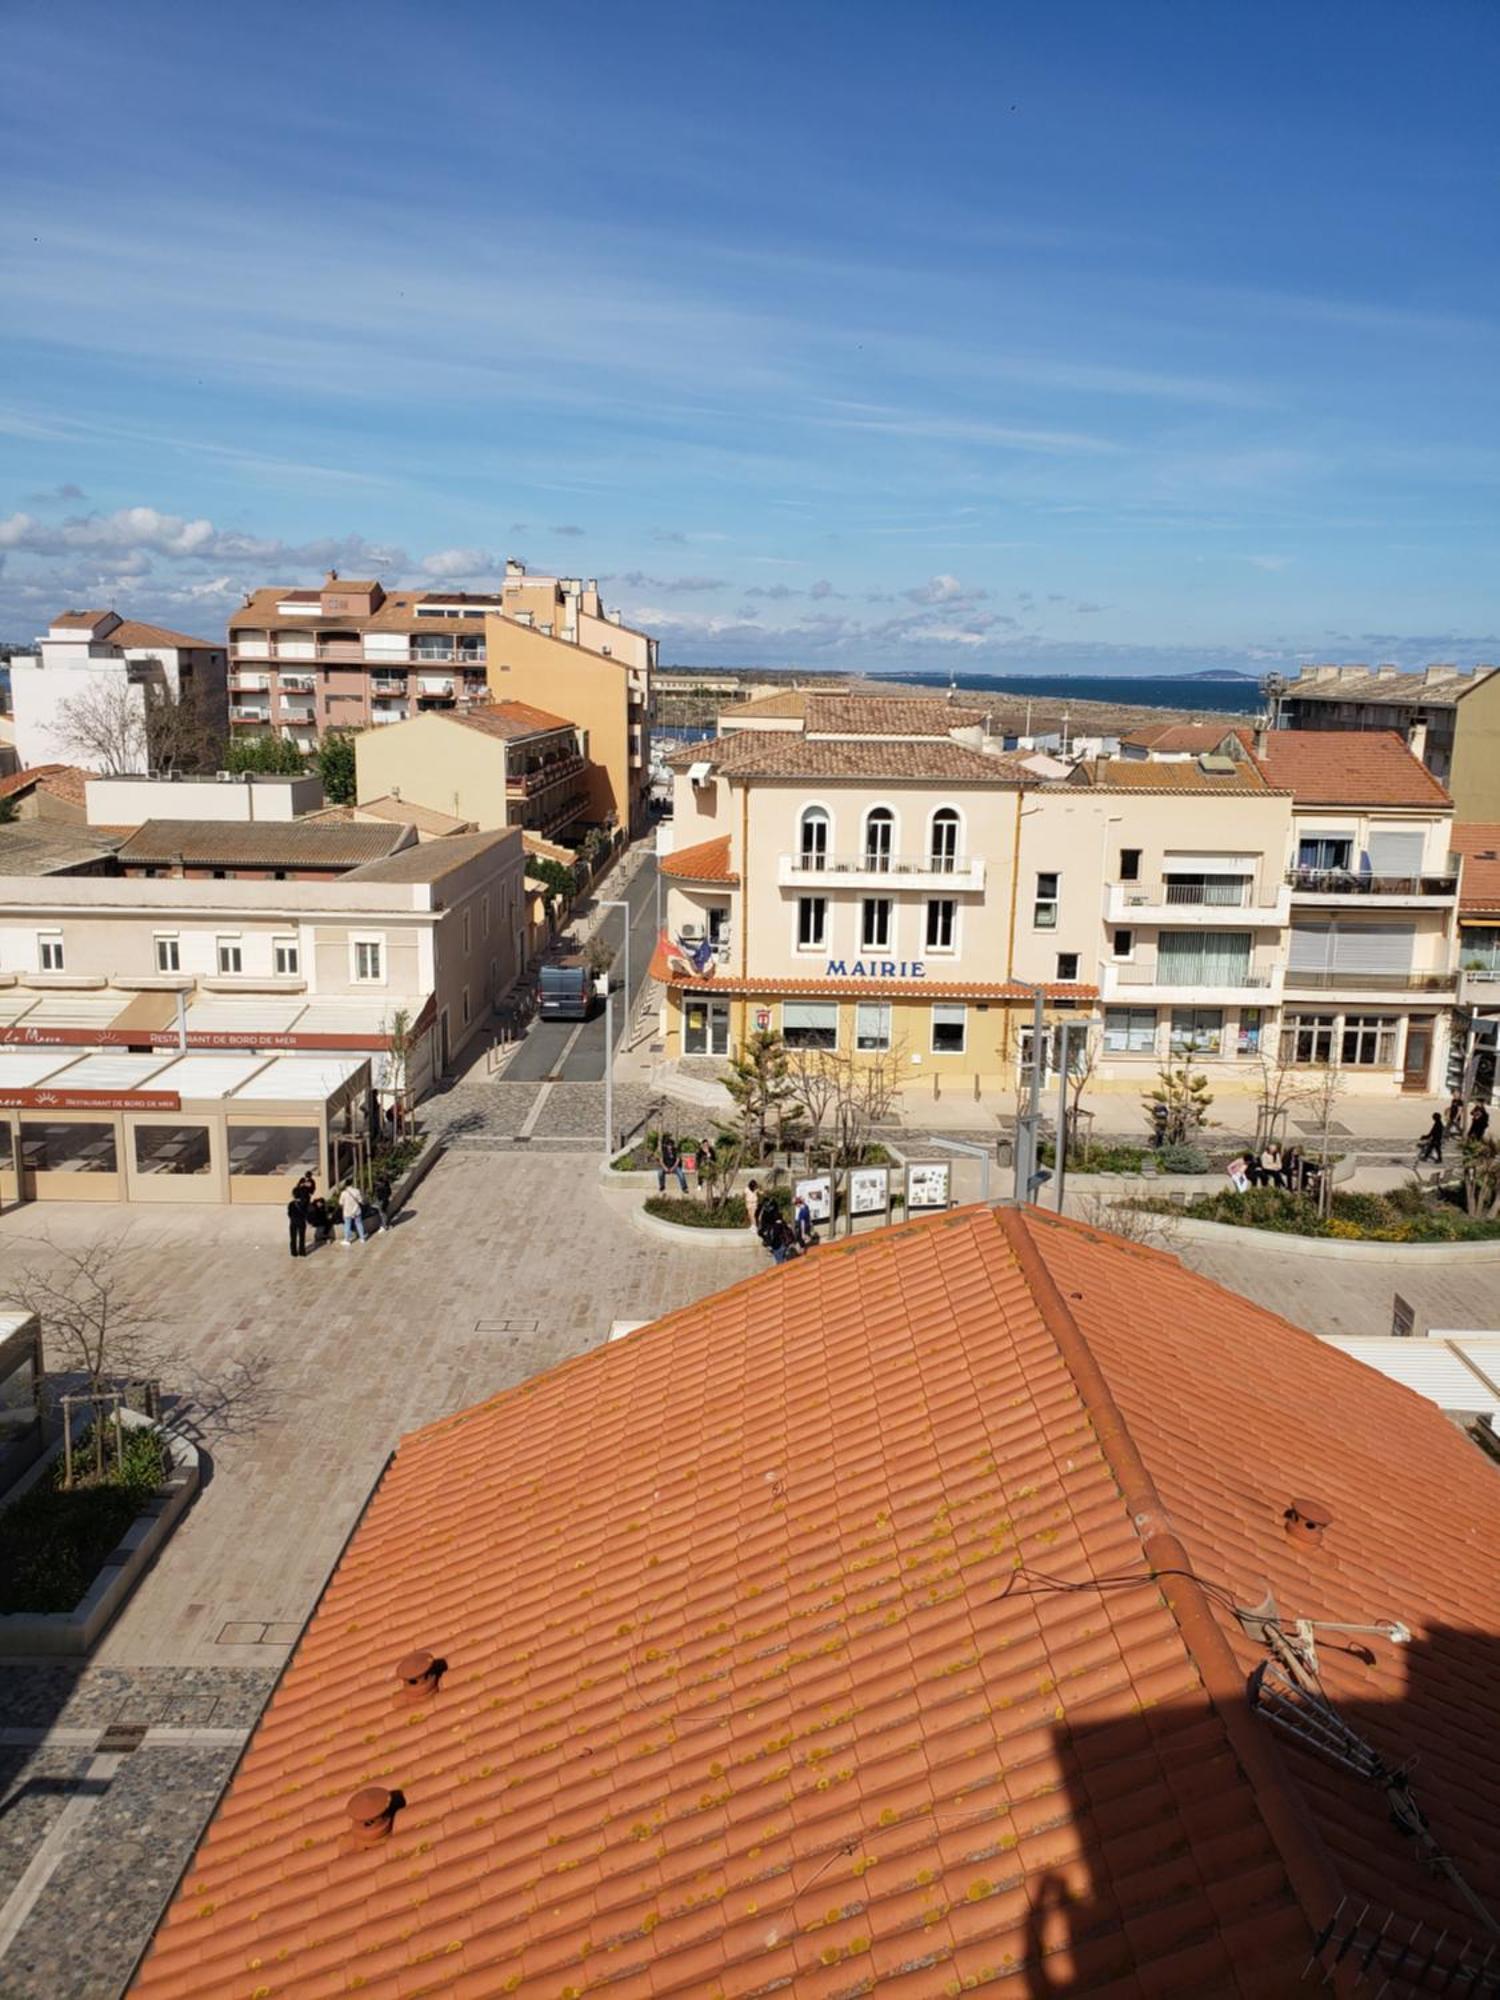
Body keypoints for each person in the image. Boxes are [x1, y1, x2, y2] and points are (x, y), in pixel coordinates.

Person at [339, 1180, 367, 1245]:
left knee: (347, 1225)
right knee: (359, 1223)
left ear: (346, 1185)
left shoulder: (343, 1193)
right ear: (352, 1184)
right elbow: (360, 1200)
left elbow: (341, 1203)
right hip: (356, 1210)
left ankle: (347, 1240)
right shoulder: (357, 1191)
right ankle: (362, 1238)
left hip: (347, 1212)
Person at [286, 1184, 309, 1259]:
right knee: (302, 1237)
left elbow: (289, 1213)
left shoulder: (291, 1204)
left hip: (293, 1222)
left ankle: (294, 1252)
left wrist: (292, 1218)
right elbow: (306, 1212)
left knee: (293, 1237)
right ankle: (302, 1251)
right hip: (301, 1222)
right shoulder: (304, 1203)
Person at [372, 1167, 394, 1233]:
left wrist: (379, 1199)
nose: (375, 1183)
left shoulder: (380, 1187)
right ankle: (388, 1224)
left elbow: (378, 1194)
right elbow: (390, 1192)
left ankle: (384, 1226)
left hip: (382, 1200)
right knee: (385, 1212)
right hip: (385, 1200)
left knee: (382, 1213)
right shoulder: (386, 1184)